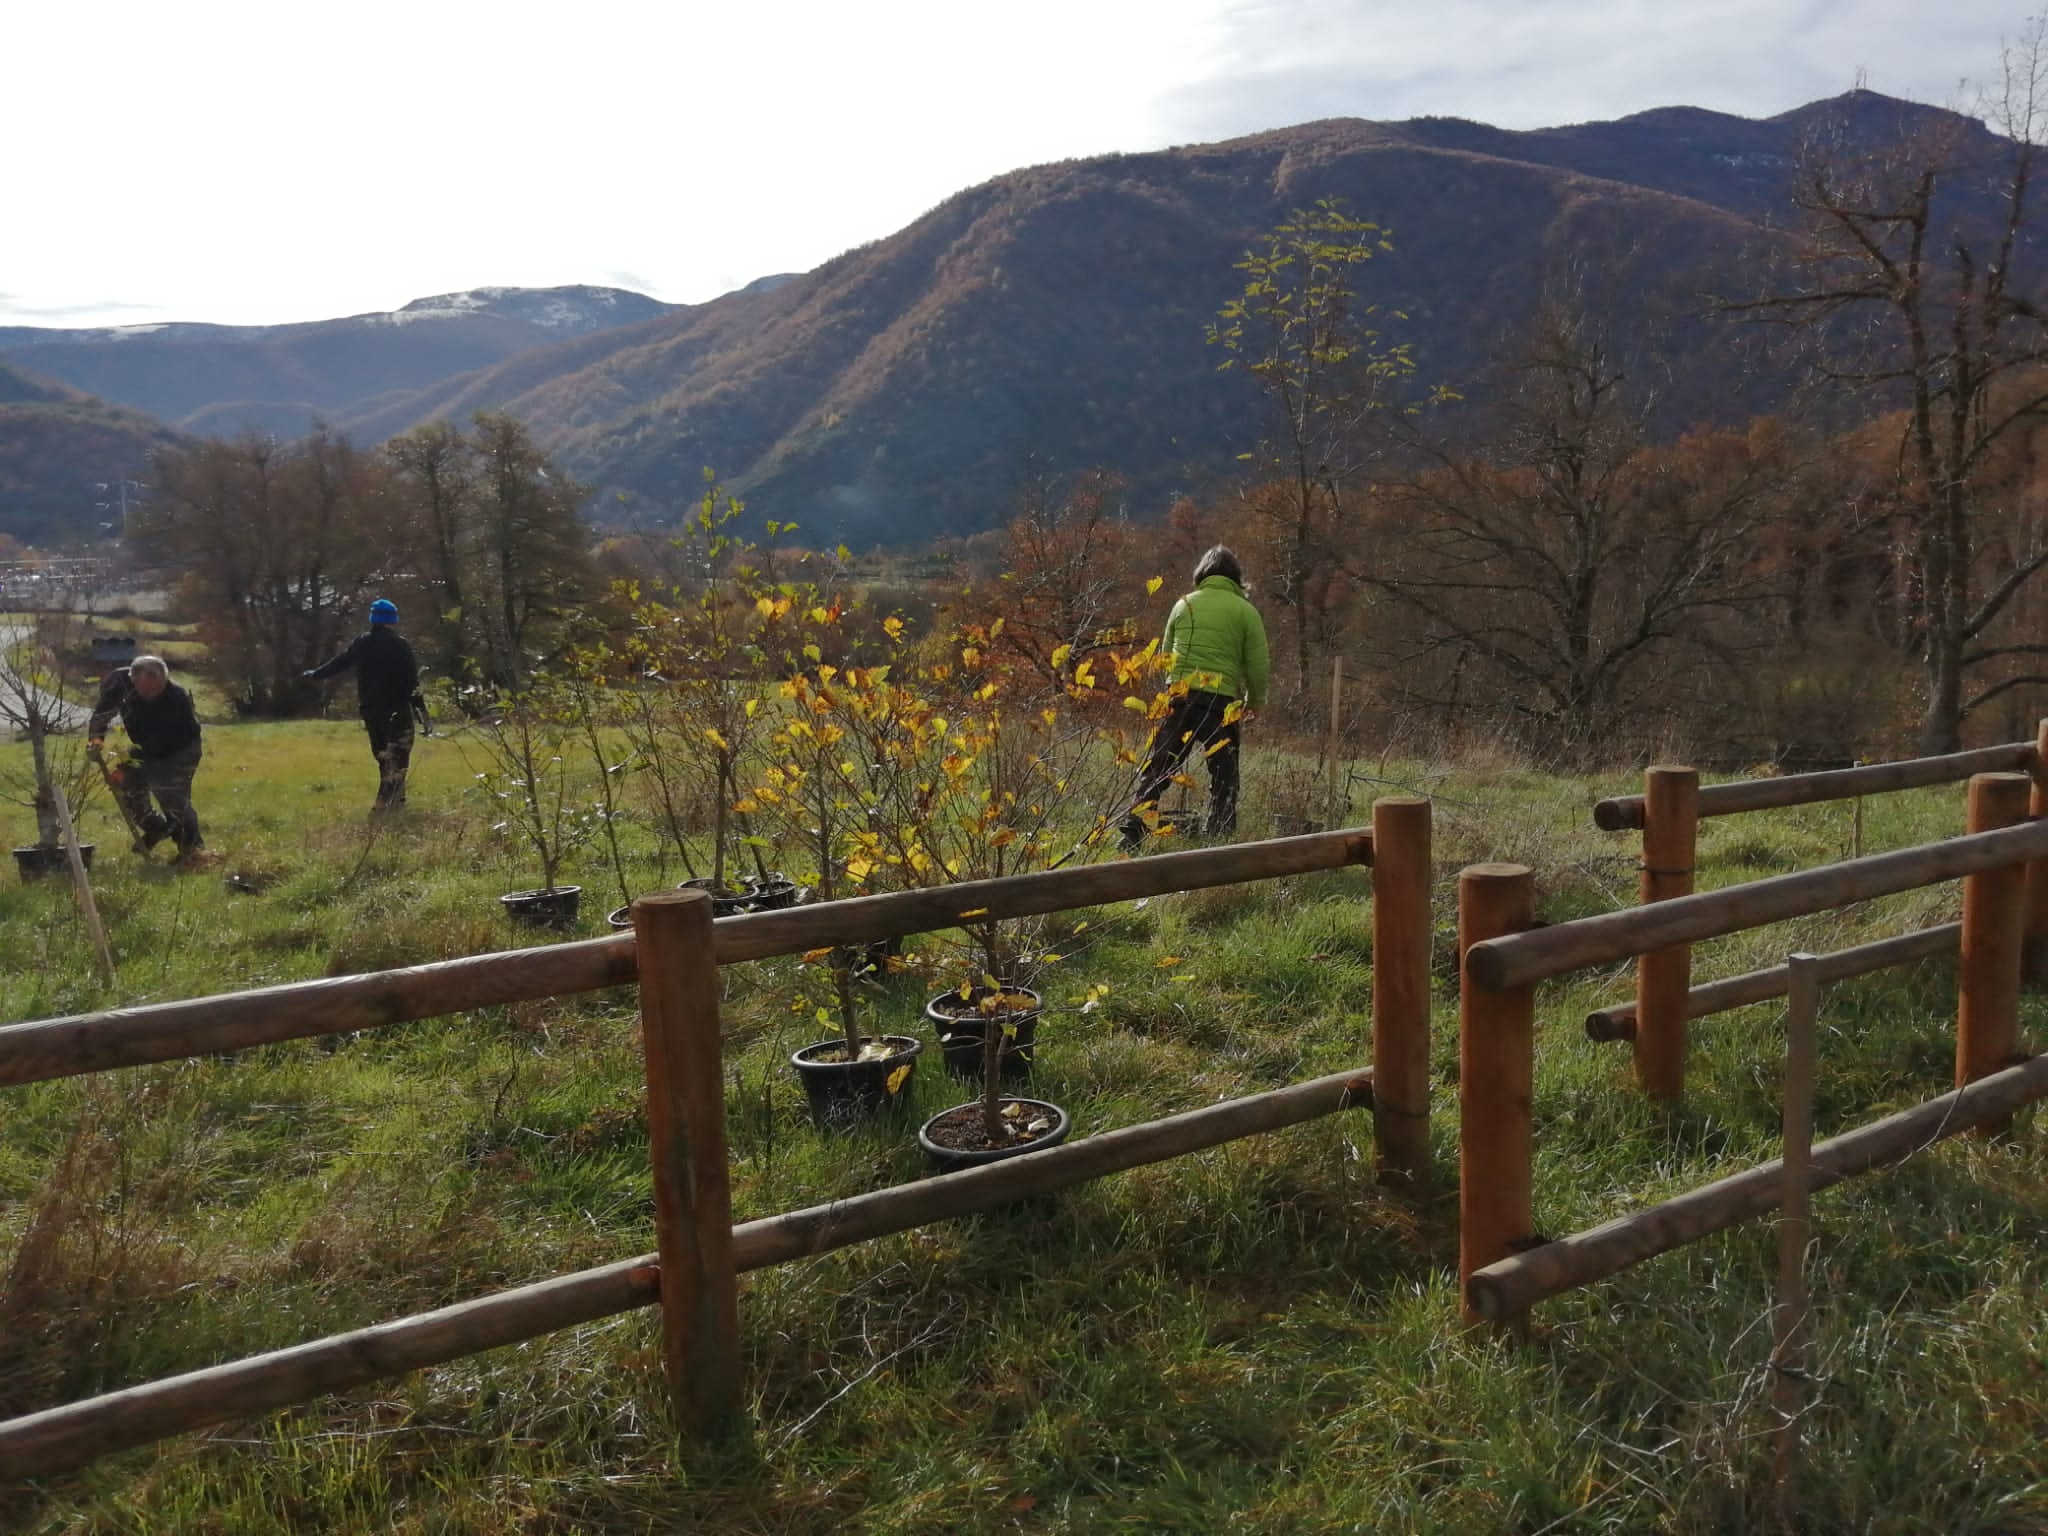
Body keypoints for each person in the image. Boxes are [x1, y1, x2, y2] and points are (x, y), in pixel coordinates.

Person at [1120, 545, 1270, 850]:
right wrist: (1254, 701)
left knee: (1161, 765)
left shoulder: (1183, 604)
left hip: (1181, 696)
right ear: (1236, 578)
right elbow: (1257, 664)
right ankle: (1219, 839)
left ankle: (1132, 832)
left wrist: (1172, 689)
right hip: (1220, 702)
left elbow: (1165, 655)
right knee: (1224, 773)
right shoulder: (1246, 612)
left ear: (1201, 574)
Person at [305, 598, 424, 812]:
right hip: (396, 709)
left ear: (372, 618)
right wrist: (421, 709)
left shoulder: (361, 642)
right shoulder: (400, 644)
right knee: (399, 756)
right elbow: (411, 681)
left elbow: (340, 662)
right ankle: (386, 804)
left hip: (370, 709)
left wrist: (316, 674)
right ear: (393, 619)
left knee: (383, 757)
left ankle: (395, 802)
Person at [87, 652, 206, 861]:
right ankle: (158, 828)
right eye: (146, 689)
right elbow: (102, 714)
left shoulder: (176, 698)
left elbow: (161, 745)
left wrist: (125, 766)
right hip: (144, 747)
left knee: (173, 799)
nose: (151, 694)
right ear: (133, 680)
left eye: (156, 689)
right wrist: (96, 741)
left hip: (180, 749)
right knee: (127, 790)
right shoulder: (119, 683)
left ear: (165, 680)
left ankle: (192, 850)